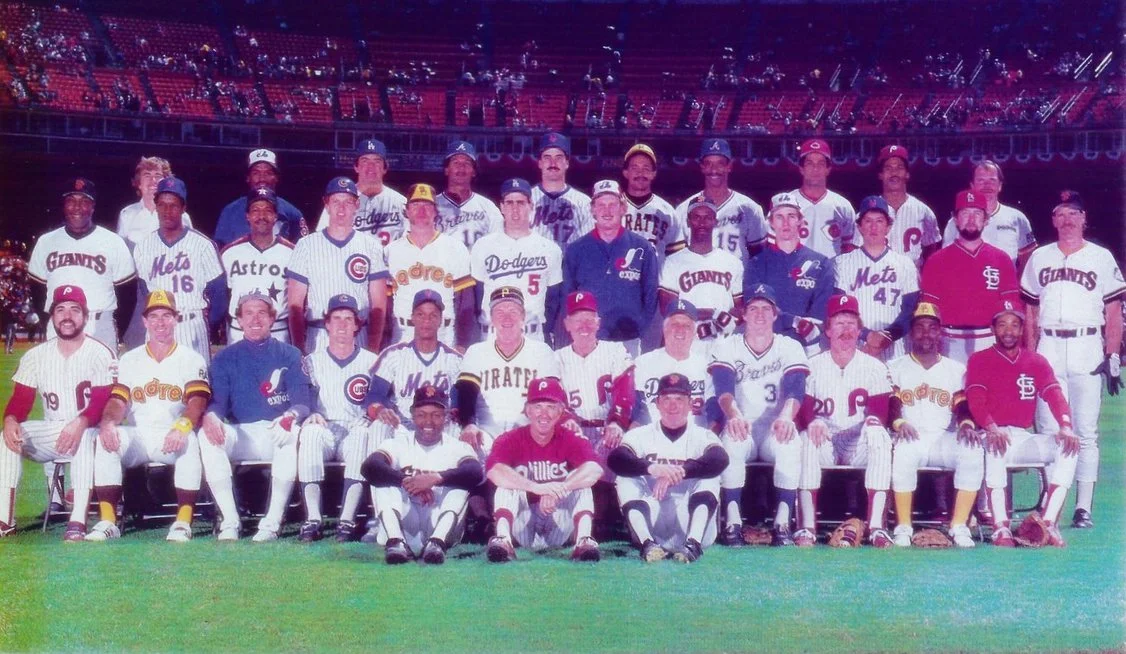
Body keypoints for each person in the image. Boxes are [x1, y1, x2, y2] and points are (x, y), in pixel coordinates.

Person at [1019, 190, 1124, 529]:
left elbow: (1113, 311)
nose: (1067, 220)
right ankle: (1052, 504)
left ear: (1084, 219)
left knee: (1085, 430)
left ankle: (1083, 507)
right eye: (1060, 214)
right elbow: (1030, 311)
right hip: (1049, 344)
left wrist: (1112, 354)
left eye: (1073, 214)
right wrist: (1030, 353)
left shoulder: (1101, 257)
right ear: (1053, 220)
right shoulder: (1040, 257)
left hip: (1086, 344)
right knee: (1050, 428)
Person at [86, 290, 210, 542]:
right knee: (106, 438)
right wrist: (108, 422)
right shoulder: (130, 359)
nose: (160, 322)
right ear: (145, 321)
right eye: (154, 316)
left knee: (190, 441)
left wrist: (183, 426)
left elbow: (197, 401)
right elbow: (118, 401)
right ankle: (108, 521)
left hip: (172, 434)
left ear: (176, 319)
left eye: (166, 316)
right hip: (139, 435)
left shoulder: (191, 358)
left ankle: (183, 521)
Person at [198, 291, 314, 541]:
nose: (255, 319)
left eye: (262, 313)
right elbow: (218, 403)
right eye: (248, 313)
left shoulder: (290, 354)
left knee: (291, 431)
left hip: (276, 429)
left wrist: (290, 415)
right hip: (243, 432)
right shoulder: (225, 357)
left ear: (272, 318)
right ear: (239, 320)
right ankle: (230, 520)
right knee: (206, 435)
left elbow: (302, 403)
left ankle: (272, 521)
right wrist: (212, 416)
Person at [0, 286, 113, 540]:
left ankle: (77, 521)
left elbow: (101, 402)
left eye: (75, 310)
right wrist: (10, 419)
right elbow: (20, 401)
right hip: (54, 435)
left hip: (92, 434)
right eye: (60, 310)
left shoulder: (99, 352)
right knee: (8, 436)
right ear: (52, 316)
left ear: (85, 316)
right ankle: (5, 520)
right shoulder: (36, 355)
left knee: (84, 435)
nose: (67, 316)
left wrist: (81, 422)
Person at [966, 300, 1079, 547]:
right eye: (1002, 325)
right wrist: (991, 427)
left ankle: (1048, 523)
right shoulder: (980, 359)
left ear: (1022, 329)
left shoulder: (1036, 361)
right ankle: (1000, 527)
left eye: (1015, 325)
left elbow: (1055, 396)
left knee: (1069, 446)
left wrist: (1066, 426)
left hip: (1022, 436)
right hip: (991, 432)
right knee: (996, 444)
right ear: (993, 329)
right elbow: (975, 401)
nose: (1008, 331)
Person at [707, 284, 807, 547]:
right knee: (732, 441)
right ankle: (732, 522)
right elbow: (723, 390)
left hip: (775, 427)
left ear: (775, 314)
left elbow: (796, 389)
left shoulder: (790, 346)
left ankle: (782, 523)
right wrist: (733, 415)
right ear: (744, 314)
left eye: (766, 308)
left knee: (790, 442)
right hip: (743, 424)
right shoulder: (727, 345)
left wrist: (787, 416)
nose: (760, 314)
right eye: (753, 309)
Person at [364, 289, 464, 542]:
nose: (426, 320)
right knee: (377, 428)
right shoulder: (394, 354)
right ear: (412, 318)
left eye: (432, 315)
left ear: (441, 320)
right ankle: (380, 517)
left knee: (457, 430)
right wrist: (380, 410)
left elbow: (459, 401)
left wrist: (455, 415)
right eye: (421, 314)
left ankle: (446, 511)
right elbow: (372, 396)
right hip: (403, 424)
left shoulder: (454, 359)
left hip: (438, 426)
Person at [795, 294, 895, 548]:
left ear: (860, 330)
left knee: (879, 436)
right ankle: (807, 526)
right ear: (827, 330)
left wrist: (872, 423)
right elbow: (802, 410)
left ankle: (876, 527)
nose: (846, 330)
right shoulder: (811, 366)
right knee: (807, 437)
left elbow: (880, 413)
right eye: (839, 323)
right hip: (825, 441)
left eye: (851, 323)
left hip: (857, 443)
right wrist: (811, 421)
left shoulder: (874, 367)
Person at [887, 302, 982, 548]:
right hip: (910, 435)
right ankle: (903, 526)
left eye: (932, 328)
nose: (926, 334)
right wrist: (898, 423)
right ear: (911, 333)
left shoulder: (955, 369)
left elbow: (962, 405)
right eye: (920, 328)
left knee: (972, 449)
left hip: (943, 437)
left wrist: (966, 424)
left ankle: (959, 525)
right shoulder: (895, 367)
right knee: (903, 452)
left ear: (940, 332)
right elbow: (891, 404)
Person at [609, 373, 729, 562]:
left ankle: (693, 545)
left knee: (710, 477)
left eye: (679, 399)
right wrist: (653, 468)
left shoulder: (702, 435)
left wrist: (681, 471)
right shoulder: (640, 434)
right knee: (625, 478)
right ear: (657, 403)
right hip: (652, 513)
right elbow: (616, 459)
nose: (673, 405)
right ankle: (647, 544)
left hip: (690, 517)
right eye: (666, 399)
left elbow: (720, 459)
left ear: (690, 404)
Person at [484, 376, 604, 562]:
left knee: (581, 481)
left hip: (558, 519)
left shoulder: (570, 438)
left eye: (551, 407)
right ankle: (503, 540)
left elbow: (595, 469)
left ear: (560, 411)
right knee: (507, 484)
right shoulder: (511, 438)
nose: (544, 414)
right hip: (524, 522)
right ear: (527, 410)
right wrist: (536, 488)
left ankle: (583, 541)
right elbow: (494, 471)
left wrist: (559, 490)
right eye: (538, 406)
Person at [362, 384, 484, 564]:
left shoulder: (457, 446)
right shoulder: (398, 442)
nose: (429, 421)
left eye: (436, 415)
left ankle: (436, 543)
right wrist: (409, 482)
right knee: (383, 482)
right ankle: (395, 542)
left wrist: (436, 478)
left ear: (446, 417)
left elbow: (475, 472)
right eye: (421, 415)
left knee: (460, 487)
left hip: (440, 521)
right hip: (405, 520)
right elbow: (369, 467)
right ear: (412, 416)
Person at [294, 294, 381, 543]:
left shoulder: (372, 361)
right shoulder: (311, 360)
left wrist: (370, 415)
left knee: (363, 434)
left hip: (354, 427)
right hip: (324, 427)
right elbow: (303, 396)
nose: (342, 324)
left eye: (348, 319)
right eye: (336, 319)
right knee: (310, 433)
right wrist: (310, 412)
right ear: (327, 324)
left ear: (357, 325)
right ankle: (313, 518)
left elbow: (380, 400)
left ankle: (347, 519)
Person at [285, 177, 390, 354]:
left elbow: (378, 306)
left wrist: (372, 350)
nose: (341, 208)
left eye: (348, 202)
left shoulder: (371, 246)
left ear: (357, 205)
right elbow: (295, 306)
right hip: (318, 336)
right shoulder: (306, 245)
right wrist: (299, 350)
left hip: (359, 335)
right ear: (326, 205)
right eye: (336, 202)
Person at [28, 177, 136, 347]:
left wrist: (117, 329)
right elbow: (37, 291)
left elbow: (127, 293)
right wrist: (50, 320)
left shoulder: (113, 241)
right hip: (59, 325)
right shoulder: (45, 242)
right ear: (64, 205)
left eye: (84, 201)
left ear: (93, 206)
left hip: (99, 324)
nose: (77, 207)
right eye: (71, 201)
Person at [132, 177, 226, 361]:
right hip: (158, 326)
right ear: (156, 206)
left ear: (183, 208)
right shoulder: (143, 246)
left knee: (195, 378)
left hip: (191, 324)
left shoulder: (202, 245)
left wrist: (207, 324)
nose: (167, 211)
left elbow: (219, 293)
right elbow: (145, 291)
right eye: (162, 205)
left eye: (173, 205)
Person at [921, 190, 1020, 364]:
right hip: (948, 340)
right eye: (965, 213)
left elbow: (1010, 309)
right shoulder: (936, 260)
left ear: (986, 219)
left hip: (990, 339)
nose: (972, 219)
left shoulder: (1001, 259)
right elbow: (929, 311)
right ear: (955, 219)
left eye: (977, 214)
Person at [455, 287, 560, 450]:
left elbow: (551, 396)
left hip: (529, 430)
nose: (507, 318)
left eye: (513, 311)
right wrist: (469, 424)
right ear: (491, 318)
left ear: (523, 316)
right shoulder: (476, 351)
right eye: (499, 312)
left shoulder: (541, 351)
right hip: (485, 431)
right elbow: (466, 392)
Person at [561, 180, 658, 356]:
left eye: (613, 205)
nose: (607, 211)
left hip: (628, 338)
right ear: (592, 210)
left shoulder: (642, 247)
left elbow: (651, 294)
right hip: (588, 338)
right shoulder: (575, 250)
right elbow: (568, 296)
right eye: (601, 205)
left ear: (623, 208)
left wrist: (640, 326)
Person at [470, 178, 563, 344]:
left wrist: (546, 329)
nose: (515, 208)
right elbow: (476, 295)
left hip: (532, 333)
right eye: (509, 202)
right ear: (501, 207)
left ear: (531, 206)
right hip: (492, 333)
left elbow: (553, 299)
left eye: (520, 203)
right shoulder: (483, 246)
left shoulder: (549, 248)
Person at [384, 183, 475, 348]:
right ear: (407, 211)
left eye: (427, 205)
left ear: (435, 211)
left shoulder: (455, 248)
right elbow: (386, 303)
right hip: (402, 333)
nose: (421, 210)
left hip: (444, 334)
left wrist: (463, 344)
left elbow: (465, 301)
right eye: (416, 205)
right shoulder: (391, 250)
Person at [744, 193, 834, 353]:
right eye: (779, 217)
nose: (785, 223)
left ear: (800, 220)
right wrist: (794, 321)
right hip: (766, 345)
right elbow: (755, 310)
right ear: (771, 222)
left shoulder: (821, 263)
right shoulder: (756, 263)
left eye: (791, 216)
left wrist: (799, 326)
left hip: (808, 346)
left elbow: (820, 315)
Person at [832, 196, 919, 360]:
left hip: (895, 348)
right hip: (856, 345)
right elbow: (839, 309)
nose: (873, 227)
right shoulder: (842, 262)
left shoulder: (905, 263)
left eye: (879, 221)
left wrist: (887, 337)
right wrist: (866, 335)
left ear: (888, 227)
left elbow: (910, 310)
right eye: (868, 221)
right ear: (859, 227)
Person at [554, 291, 635, 459]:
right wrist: (565, 419)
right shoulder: (556, 358)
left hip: (610, 431)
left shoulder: (616, 351)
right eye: (578, 320)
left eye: (590, 320)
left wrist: (617, 422)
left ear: (598, 323)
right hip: (571, 431)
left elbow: (626, 395)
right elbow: (554, 399)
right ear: (567, 324)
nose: (584, 326)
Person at [659, 197, 744, 342]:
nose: (702, 223)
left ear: (715, 222)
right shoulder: (672, 262)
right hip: (687, 338)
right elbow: (668, 309)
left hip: (723, 340)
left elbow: (740, 310)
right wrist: (713, 313)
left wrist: (717, 323)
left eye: (707, 217)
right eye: (696, 217)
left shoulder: (733, 263)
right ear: (688, 221)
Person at [220, 188, 294, 344]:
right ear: (247, 216)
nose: (261, 216)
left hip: (278, 332)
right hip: (239, 332)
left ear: (275, 216)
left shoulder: (292, 253)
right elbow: (223, 296)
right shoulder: (229, 252)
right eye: (255, 210)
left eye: (268, 211)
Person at [675, 138, 767, 261]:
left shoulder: (749, 209)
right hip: (696, 272)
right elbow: (677, 257)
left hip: (736, 273)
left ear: (729, 166)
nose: (714, 170)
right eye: (708, 163)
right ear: (702, 167)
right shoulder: (683, 210)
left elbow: (759, 257)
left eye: (720, 164)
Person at [941, 161, 1037, 272]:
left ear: (1000, 186)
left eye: (992, 180)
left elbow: (1028, 256)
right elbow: (947, 259)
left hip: (1006, 281)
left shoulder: (1017, 218)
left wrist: (1018, 279)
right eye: (981, 180)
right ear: (972, 186)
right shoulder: (956, 222)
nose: (987, 185)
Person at [632, 300, 709, 428]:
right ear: (664, 329)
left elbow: (714, 413)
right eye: (675, 324)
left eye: (687, 326)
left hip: (696, 435)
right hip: (652, 434)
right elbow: (636, 411)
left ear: (695, 332)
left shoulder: (705, 366)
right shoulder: (643, 363)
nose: (680, 330)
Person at [315, 139, 406, 247]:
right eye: (364, 161)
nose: (371, 166)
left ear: (385, 168)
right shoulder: (339, 199)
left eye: (377, 161)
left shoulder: (400, 202)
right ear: (356, 167)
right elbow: (321, 238)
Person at [214, 149, 307, 248]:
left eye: (268, 173)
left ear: (276, 178)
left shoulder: (292, 213)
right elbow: (220, 251)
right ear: (248, 178)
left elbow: (304, 250)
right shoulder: (230, 211)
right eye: (256, 173)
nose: (262, 179)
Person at [870, 145, 939, 267]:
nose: (894, 173)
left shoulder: (923, 211)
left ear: (907, 174)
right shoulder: (868, 212)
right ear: (880, 175)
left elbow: (932, 249)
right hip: (877, 276)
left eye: (899, 167)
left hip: (912, 276)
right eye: (888, 168)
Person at [786, 138, 856, 258]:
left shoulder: (843, 205)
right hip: (794, 269)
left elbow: (848, 248)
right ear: (801, 168)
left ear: (828, 169)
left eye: (821, 163)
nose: (815, 168)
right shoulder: (786, 204)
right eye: (809, 163)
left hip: (832, 269)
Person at [620, 143, 684, 268]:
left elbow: (677, 254)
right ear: (625, 172)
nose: (640, 173)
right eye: (634, 168)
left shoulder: (667, 211)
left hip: (655, 278)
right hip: (618, 278)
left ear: (654, 174)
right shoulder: (611, 208)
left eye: (646, 168)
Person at [435, 140, 503, 249]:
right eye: (456, 163)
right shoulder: (431, 206)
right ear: (446, 170)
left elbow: (499, 243)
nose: (461, 168)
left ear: (474, 172)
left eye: (467, 163)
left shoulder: (488, 208)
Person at [530, 132, 593, 248]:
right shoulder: (526, 199)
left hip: (570, 260)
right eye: (547, 158)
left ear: (567, 163)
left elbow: (588, 244)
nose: (553, 163)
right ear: (540, 163)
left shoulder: (583, 202)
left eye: (559, 158)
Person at [116, 156, 193, 249]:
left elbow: (189, 249)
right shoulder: (127, 214)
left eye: (158, 176)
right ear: (139, 183)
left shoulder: (181, 216)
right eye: (147, 175)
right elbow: (120, 251)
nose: (153, 180)